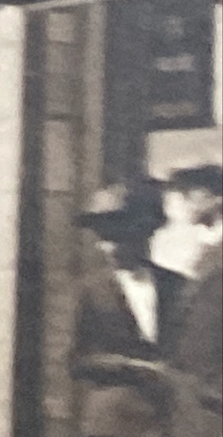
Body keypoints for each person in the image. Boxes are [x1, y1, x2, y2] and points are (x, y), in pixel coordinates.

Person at [70, 181, 187, 437]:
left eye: (117, 236)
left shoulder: (177, 286)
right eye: (102, 238)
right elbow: (77, 360)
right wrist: (132, 366)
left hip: (166, 417)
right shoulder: (90, 290)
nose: (108, 247)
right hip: (113, 418)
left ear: (145, 231)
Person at [163, 164, 223, 437]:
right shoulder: (203, 250)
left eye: (191, 193)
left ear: (216, 198)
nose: (183, 201)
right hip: (190, 398)